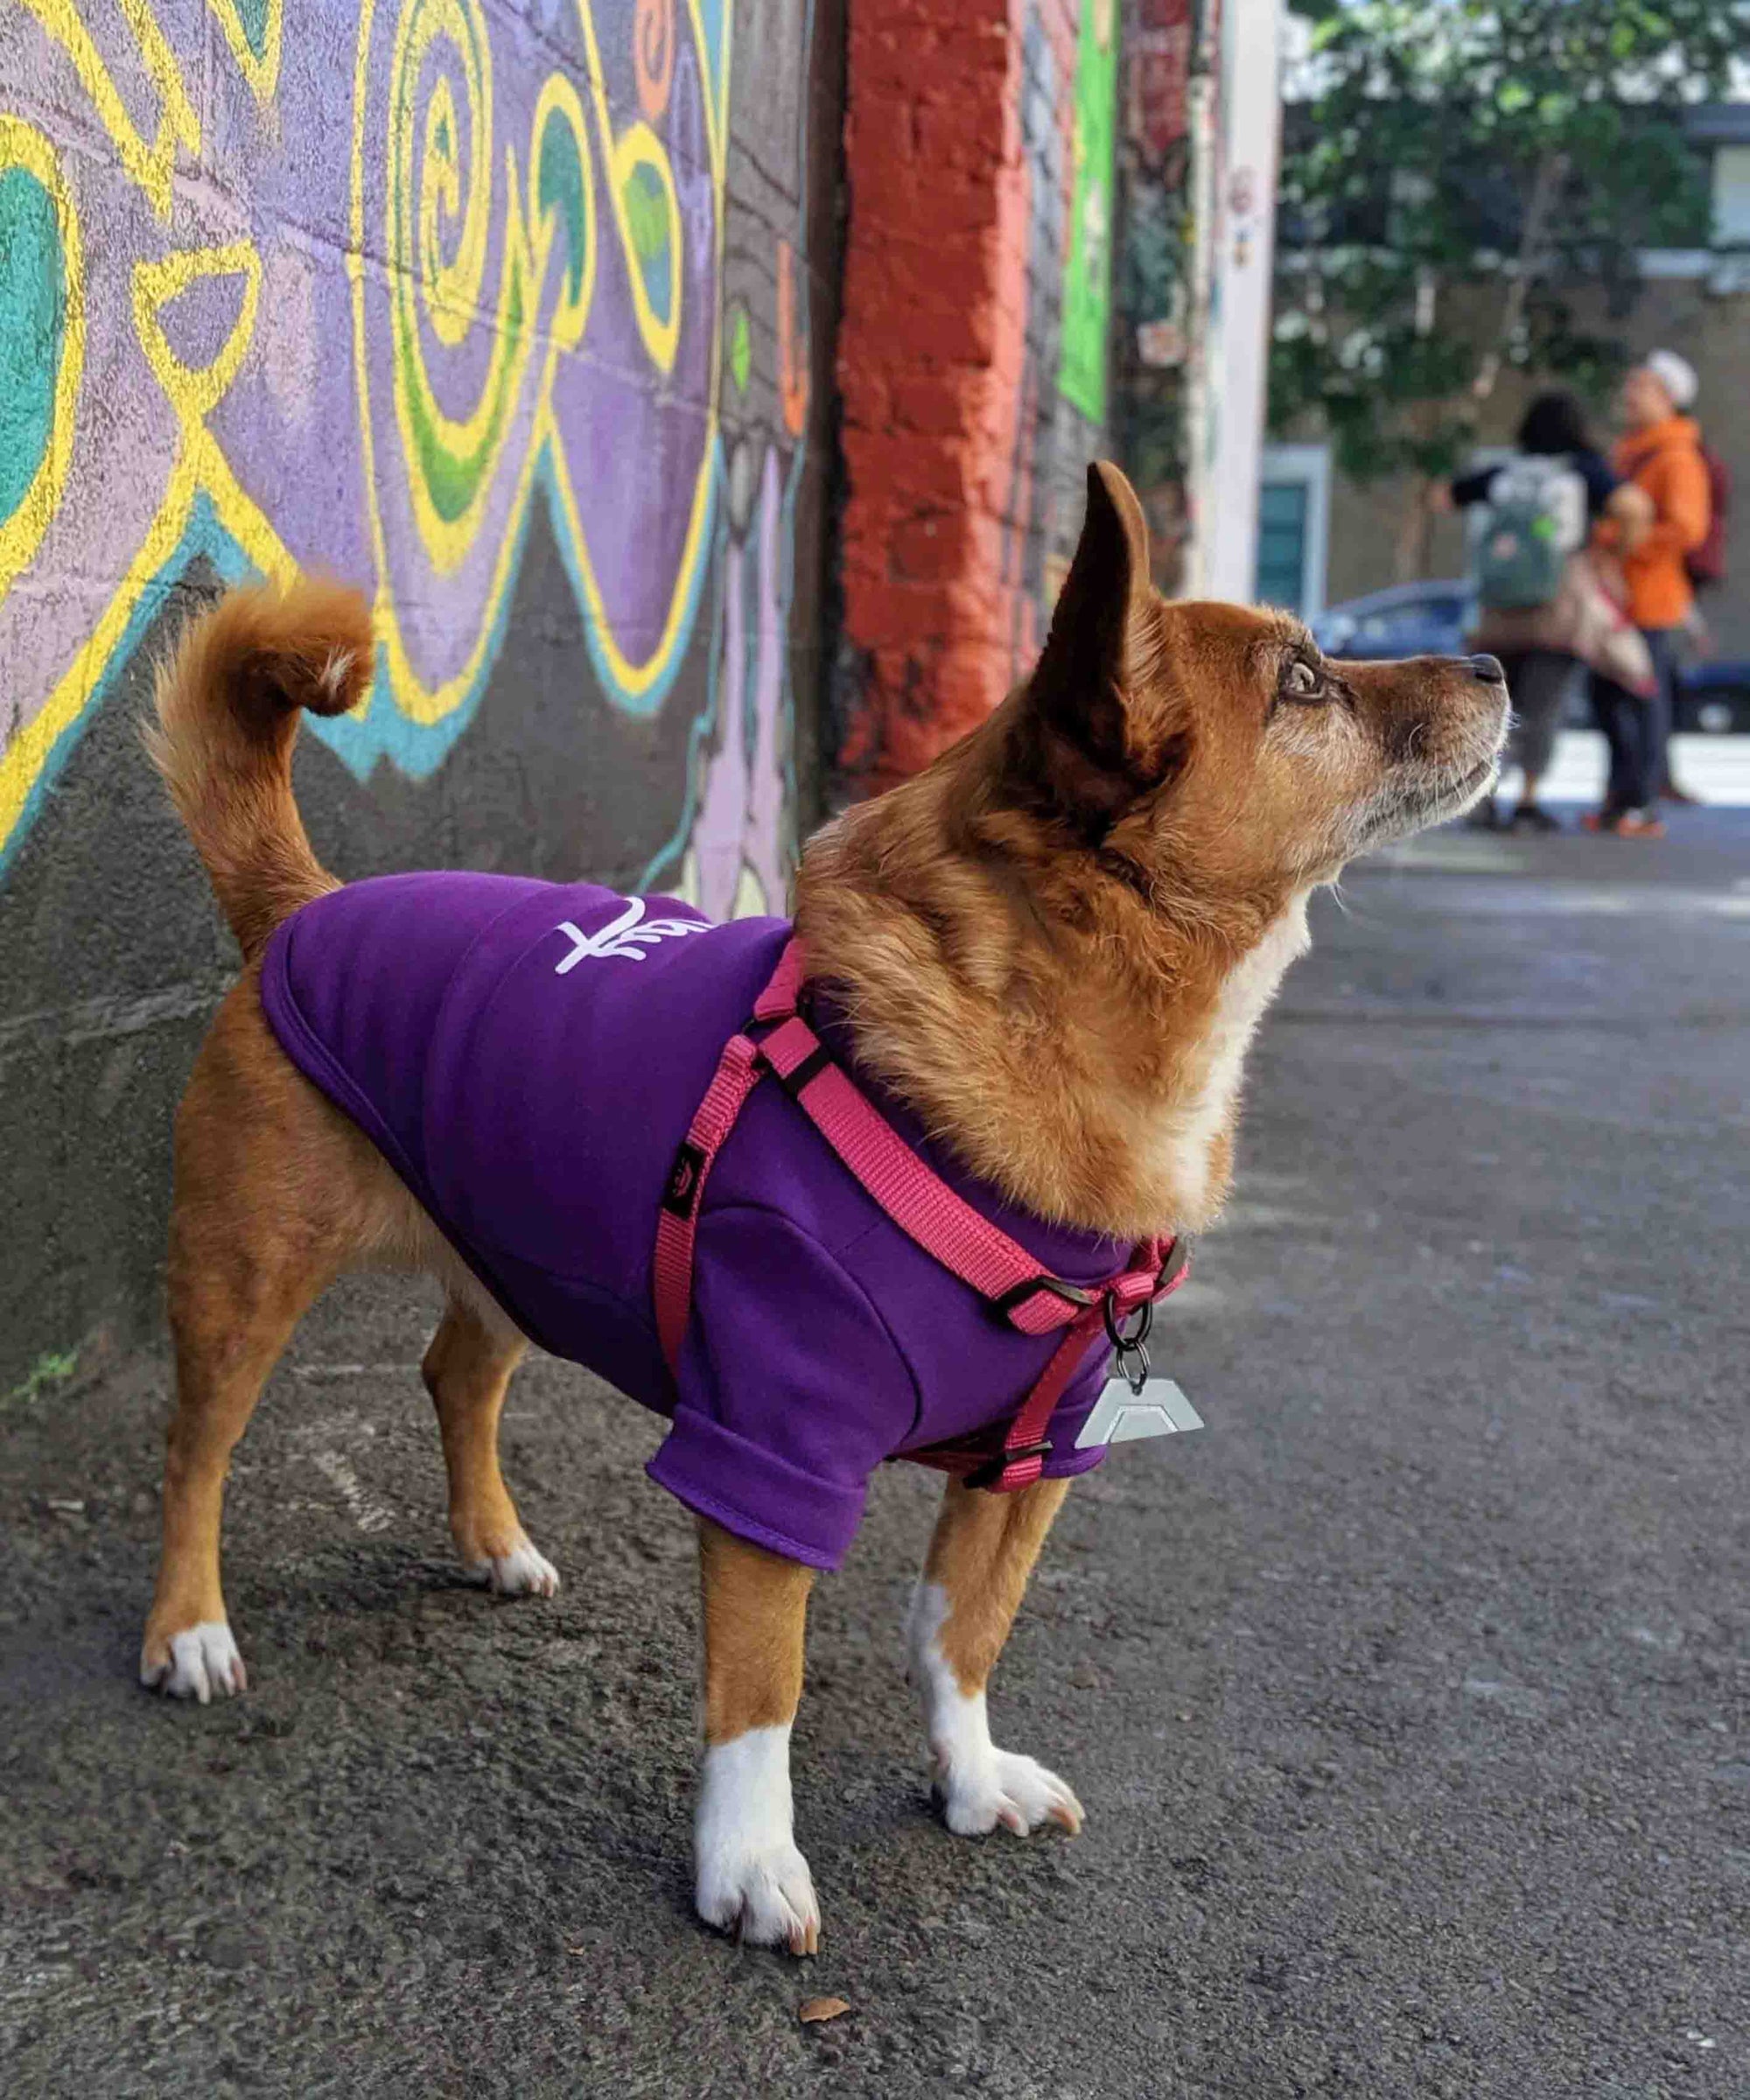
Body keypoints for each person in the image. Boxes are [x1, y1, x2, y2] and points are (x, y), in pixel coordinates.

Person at [1444, 392, 1637, 832]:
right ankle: (1528, 802)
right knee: (1544, 707)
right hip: (1559, 610)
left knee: (1491, 704)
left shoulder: (1504, 473)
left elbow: (1447, 495)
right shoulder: (1585, 471)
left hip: (1499, 612)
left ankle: (1483, 798)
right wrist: (1609, 551)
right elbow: (1634, 509)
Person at [1584, 351, 1712, 838]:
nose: (1628, 394)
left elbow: (1687, 528)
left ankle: (1642, 805)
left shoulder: (1677, 456)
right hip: (1611, 599)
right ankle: (1617, 800)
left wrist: (1623, 545)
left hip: (1649, 601)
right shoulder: (1630, 451)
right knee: (1606, 699)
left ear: (1668, 397)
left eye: (1640, 386)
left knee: (1642, 703)